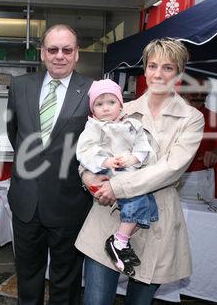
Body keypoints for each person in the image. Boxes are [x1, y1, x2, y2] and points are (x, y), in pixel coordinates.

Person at [76, 37, 204, 305]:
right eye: (153, 66)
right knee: (96, 300)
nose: (158, 74)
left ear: (179, 73)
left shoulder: (191, 118)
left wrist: (118, 186)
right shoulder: (121, 109)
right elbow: (90, 151)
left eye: (168, 68)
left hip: (158, 221)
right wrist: (89, 178)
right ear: (144, 69)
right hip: (109, 216)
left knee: (140, 302)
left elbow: (171, 168)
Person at [7, 24, 93, 305]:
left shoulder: (92, 91)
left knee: (65, 283)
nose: (60, 55)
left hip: (69, 202)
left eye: (67, 50)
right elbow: (14, 131)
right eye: (53, 49)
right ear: (42, 53)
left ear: (76, 54)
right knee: (28, 277)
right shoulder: (20, 86)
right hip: (26, 201)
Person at [76, 79, 155, 277]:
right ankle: (119, 241)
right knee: (136, 202)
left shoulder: (133, 124)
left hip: (130, 173)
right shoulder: (93, 127)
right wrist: (104, 162)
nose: (105, 108)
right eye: (99, 104)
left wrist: (134, 157)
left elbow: (143, 146)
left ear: (121, 104)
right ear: (93, 109)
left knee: (149, 208)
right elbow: (84, 151)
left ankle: (121, 240)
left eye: (111, 102)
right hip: (108, 175)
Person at [178, 77, 217, 201]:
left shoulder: (215, 118)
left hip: (197, 177)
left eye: (204, 93)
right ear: (183, 92)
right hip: (167, 176)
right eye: (195, 92)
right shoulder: (170, 115)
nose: (200, 97)